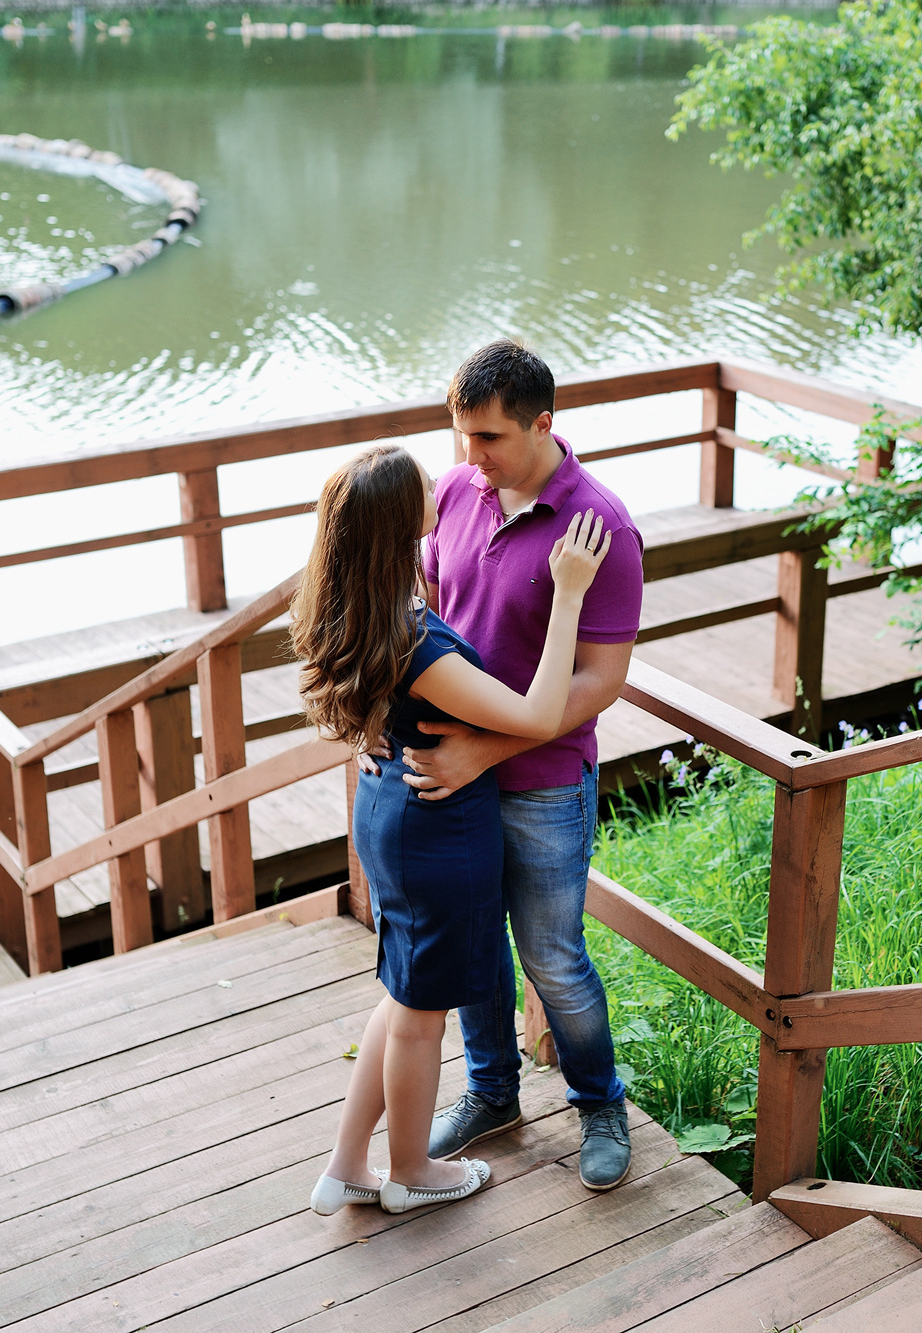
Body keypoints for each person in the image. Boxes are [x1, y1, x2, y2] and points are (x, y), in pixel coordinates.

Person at [294, 443, 612, 1216]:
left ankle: (346, 1163)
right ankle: (411, 1172)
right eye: (424, 485)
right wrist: (567, 594)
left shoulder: (363, 608)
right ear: (402, 520)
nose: (446, 479)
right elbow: (539, 713)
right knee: (419, 1016)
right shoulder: (418, 644)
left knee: (402, 999)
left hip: (390, 811)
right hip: (435, 832)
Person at [375, 340, 644, 1191]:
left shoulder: (601, 525)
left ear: (542, 424)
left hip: (543, 783)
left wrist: (481, 750)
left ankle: (600, 1100)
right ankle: (492, 1092)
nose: (468, 457)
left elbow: (600, 680)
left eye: (487, 437)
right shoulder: (457, 491)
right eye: (459, 434)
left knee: (551, 957)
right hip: (456, 779)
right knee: (473, 953)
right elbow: (427, 609)